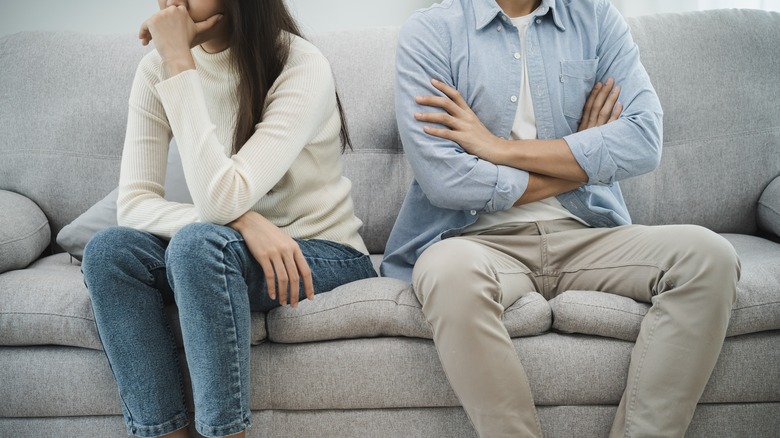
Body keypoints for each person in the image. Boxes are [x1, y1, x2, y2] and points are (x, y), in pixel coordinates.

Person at [381, 0, 741, 436]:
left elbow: (644, 141)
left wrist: (497, 148)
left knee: (709, 256)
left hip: (588, 235)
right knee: (445, 270)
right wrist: (584, 153)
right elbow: (445, 180)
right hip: (475, 240)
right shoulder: (433, 31)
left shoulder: (596, 18)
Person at [81, 1, 377, 437]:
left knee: (198, 244)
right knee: (109, 251)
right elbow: (135, 205)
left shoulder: (299, 63)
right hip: (230, 248)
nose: (173, 3)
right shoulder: (154, 70)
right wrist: (246, 222)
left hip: (322, 252)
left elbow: (221, 201)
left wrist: (181, 63)